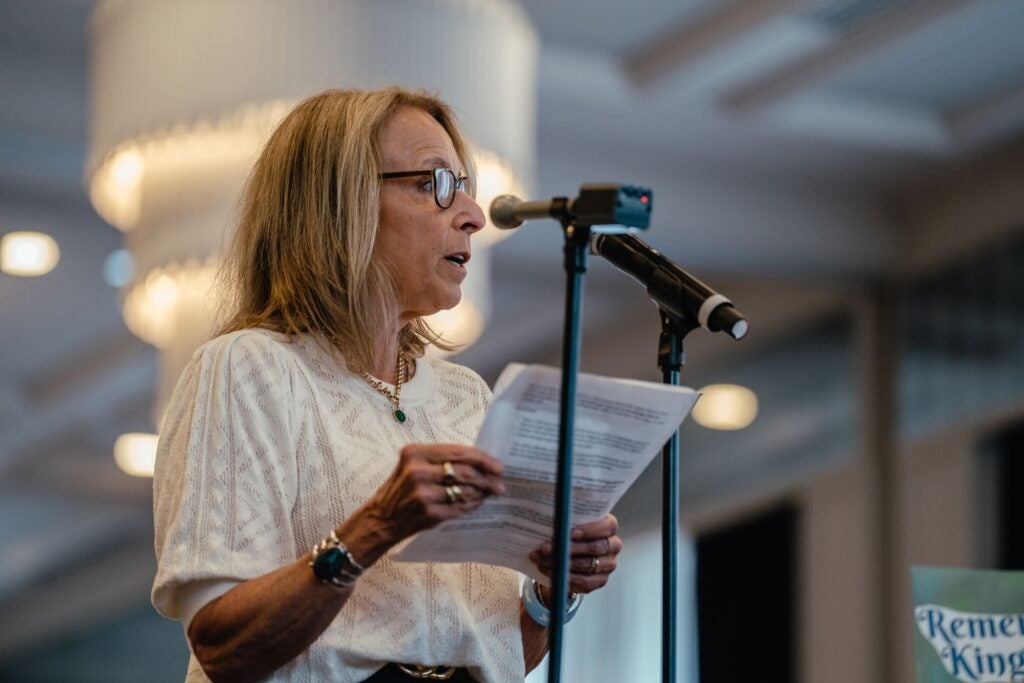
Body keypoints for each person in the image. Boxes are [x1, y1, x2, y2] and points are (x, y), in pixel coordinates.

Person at [151, 87, 623, 683]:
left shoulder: (466, 398)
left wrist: (551, 592)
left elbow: (496, 652)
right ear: (339, 204)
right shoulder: (248, 369)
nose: (474, 214)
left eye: (463, 186)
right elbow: (223, 646)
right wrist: (375, 527)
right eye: (434, 184)